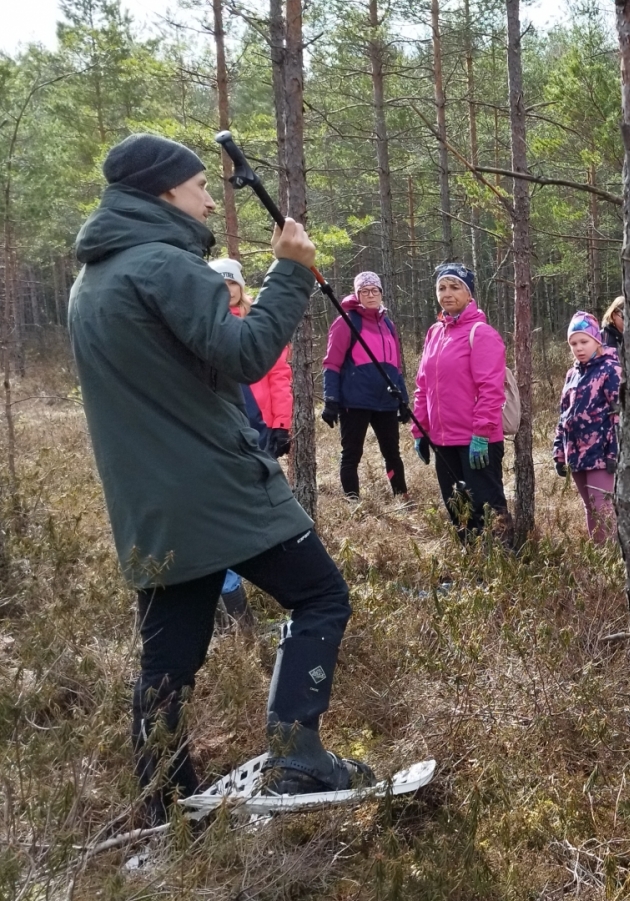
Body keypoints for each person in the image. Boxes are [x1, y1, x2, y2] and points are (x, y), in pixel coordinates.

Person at [68, 133, 369, 824]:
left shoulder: (94, 280)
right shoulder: (166, 267)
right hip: (218, 491)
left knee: (167, 658)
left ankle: (162, 800)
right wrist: (290, 270)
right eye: (200, 185)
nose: (210, 198)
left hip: (152, 506)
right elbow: (246, 353)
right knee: (321, 594)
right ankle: (297, 756)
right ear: (163, 191)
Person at [411, 263, 508, 540]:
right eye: (442, 287)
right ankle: (473, 566)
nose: (447, 293)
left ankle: (502, 565)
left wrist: (481, 433)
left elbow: (491, 389)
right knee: (458, 511)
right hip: (443, 441)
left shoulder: (481, 333)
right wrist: (420, 430)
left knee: (486, 509)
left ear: (469, 294)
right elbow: (423, 386)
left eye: (455, 287)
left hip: (476, 442)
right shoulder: (434, 333)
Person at [320, 271, 410, 500]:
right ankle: (353, 502)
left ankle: (401, 497)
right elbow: (331, 363)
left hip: (386, 402)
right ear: (357, 294)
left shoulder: (388, 325)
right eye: (364, 291)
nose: (370, 294)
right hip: (355, 401)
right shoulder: (346, 321)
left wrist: (404, 400)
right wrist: (331, 399)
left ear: (381, 293)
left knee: (392, 454)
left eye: (374, 290)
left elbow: (396, 367)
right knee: (351, 455)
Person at [210, 257, 291, 459]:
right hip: (217, 420)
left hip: (260, 421)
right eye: (222, 284)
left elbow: (279, 374)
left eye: (233, 283)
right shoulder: (204, 324)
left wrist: (281, 424)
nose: (229, 290)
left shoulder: (258, 322)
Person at [554, 311, 622, 542]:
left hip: (601, 454)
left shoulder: (610, 369)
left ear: (597, 340)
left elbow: (619, 415)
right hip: (576, 453)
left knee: (602, 508)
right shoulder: (571, 374)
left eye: (584, 341)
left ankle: (613, 560)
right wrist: (559, 453)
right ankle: (599, 558)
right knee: (589, 508)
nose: (578, 347)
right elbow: (564, 416)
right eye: (573, 343)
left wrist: (614, 452)